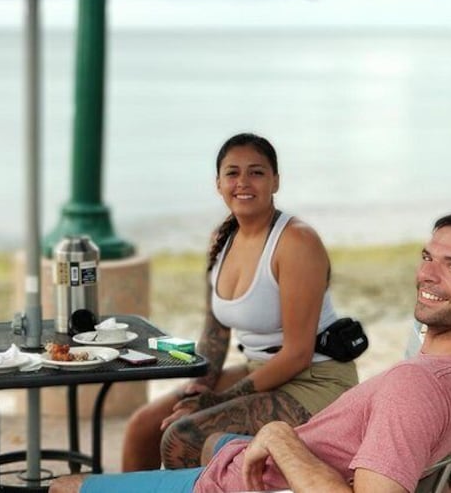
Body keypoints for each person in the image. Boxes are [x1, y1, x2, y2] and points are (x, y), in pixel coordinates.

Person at [50, 208, 451, 493]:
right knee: (210, 442)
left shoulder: (415, 386)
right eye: (428, 257)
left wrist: (279, 437)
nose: (426, 274)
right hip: (272, 464)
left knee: (62, 487)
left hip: (249, 483)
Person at [123, 133, 358, 471]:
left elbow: (298, 354)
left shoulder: (297, 241)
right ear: (218, 183)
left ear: (275, 181)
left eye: (256, 172)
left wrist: (214, 402)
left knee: (182, 438)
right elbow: (215, 334)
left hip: (315, 379)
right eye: (232, 173)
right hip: (259, 371)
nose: (243, 182)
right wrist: (198, 389)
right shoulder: (222, 239)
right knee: (143, 427)